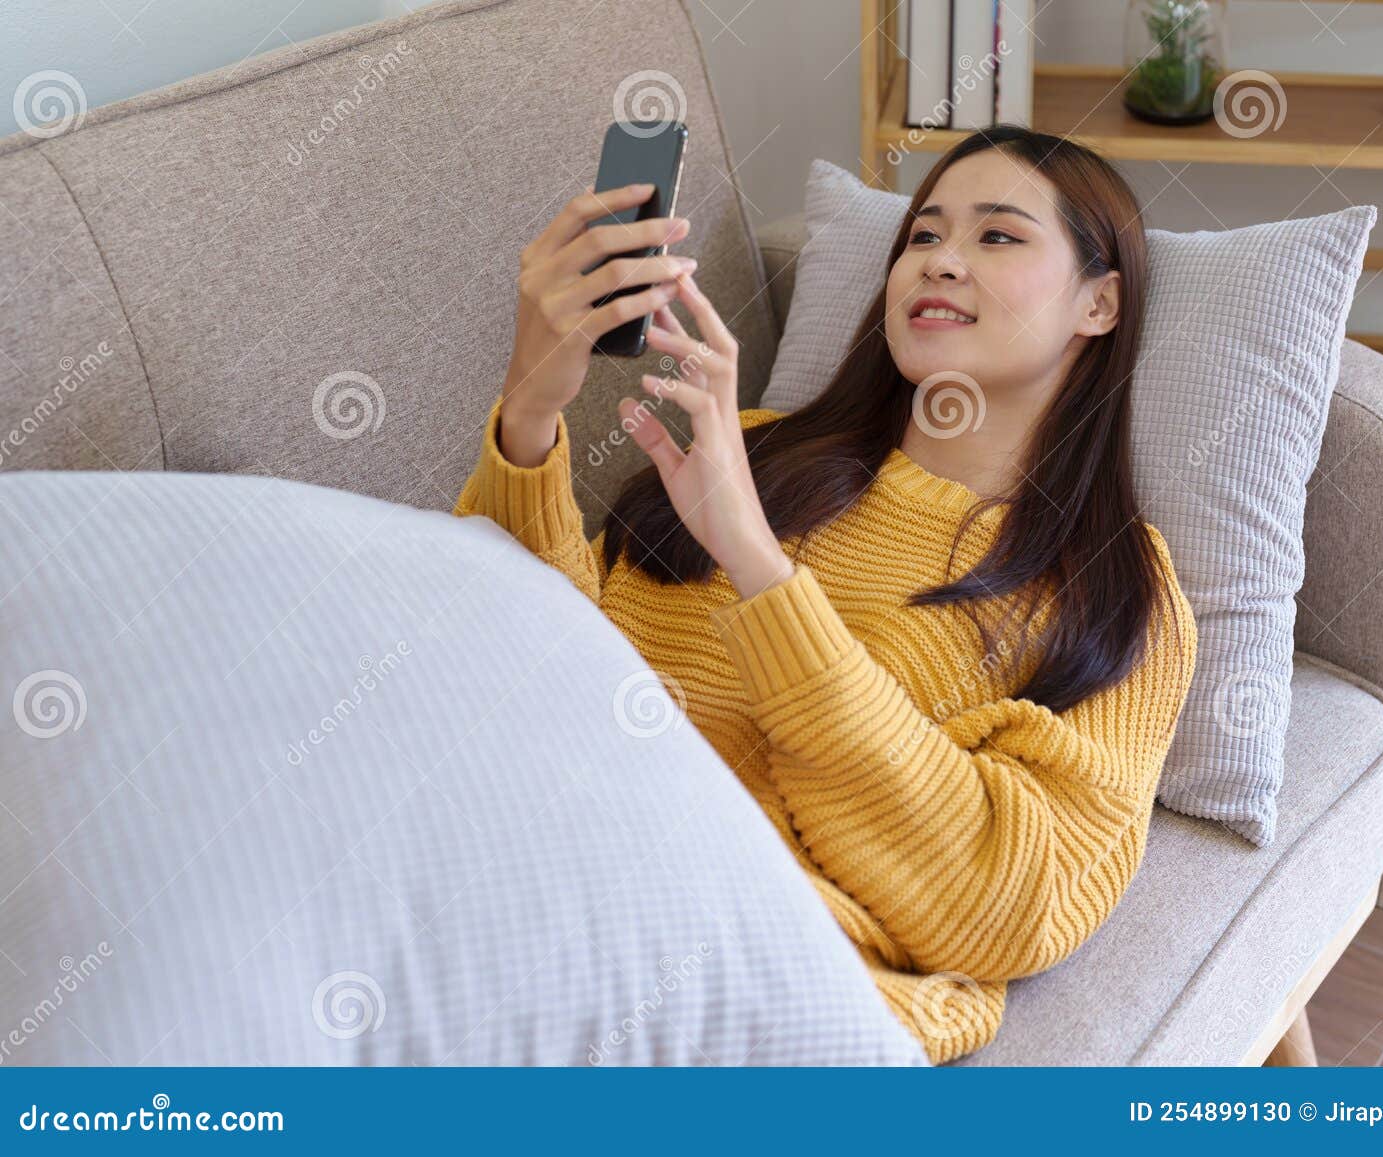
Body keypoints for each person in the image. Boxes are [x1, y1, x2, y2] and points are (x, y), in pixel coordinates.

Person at [455, 125, 1198, 1064]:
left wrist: (758, 563)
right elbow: (523, 672)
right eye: (922, 238)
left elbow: (1016, 905)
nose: (942, 263)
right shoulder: (750, 448)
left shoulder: (1113, 587)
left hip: (721, 982)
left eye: (998, 237)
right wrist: (529, 414)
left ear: (1100, 302)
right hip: (523, 858)